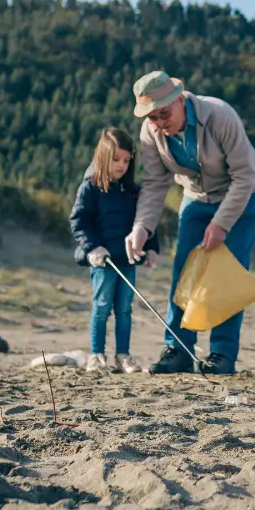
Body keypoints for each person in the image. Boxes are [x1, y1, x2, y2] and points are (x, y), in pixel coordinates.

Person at [126, 70, 255, 375]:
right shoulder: (151, 133)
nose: (160, 123)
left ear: (180, 99)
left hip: (242, 193)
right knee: (184, 272)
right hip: (196, 197)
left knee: (226, 275)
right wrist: (142, 228)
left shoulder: (219, 115)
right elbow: (154, 183)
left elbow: (245, 176)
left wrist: (221, 224)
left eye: (164, 113)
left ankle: (222, 354)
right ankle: (178, 348)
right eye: (152, 117)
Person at [69, 127, 160, 373]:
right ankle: (96, 356)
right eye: (115, 160)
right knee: (101, 306)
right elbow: (79, 221)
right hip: (103, 261)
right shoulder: (90, 188)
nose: (121, 165)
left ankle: (123, 356)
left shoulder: (132, 191)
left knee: (124, 309)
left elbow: (145, 220)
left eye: (126, 160)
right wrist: (93, 248)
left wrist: (151, 248)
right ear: (103, 158)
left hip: (127, 260)